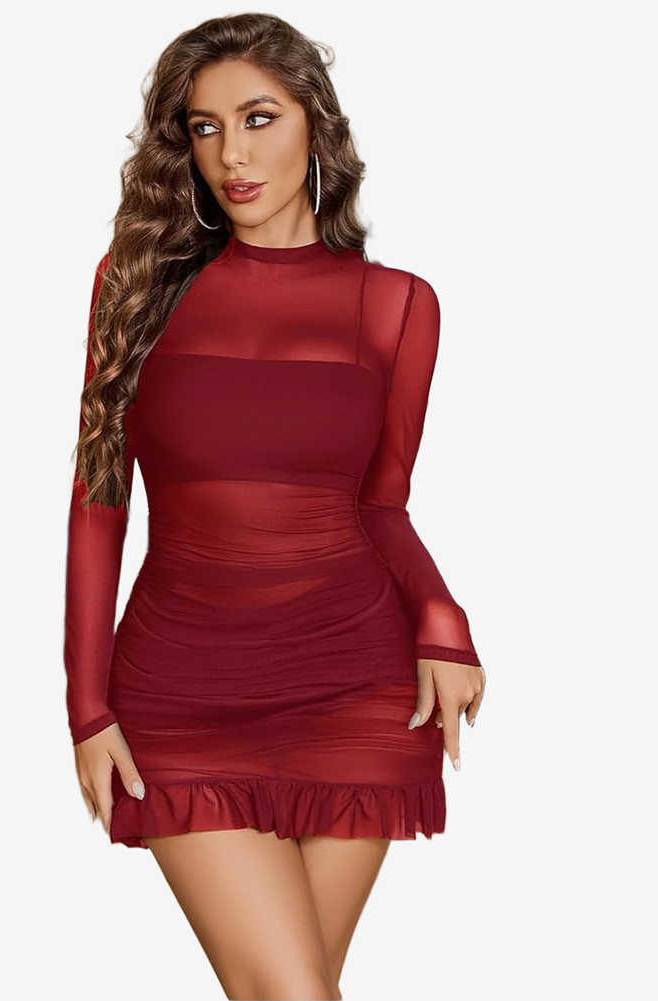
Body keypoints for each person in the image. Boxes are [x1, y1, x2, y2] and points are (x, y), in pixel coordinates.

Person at [63, 12, 486, 1001]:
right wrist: (86, 703)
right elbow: (97, 500)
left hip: (357, 685)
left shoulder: (398, 305)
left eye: (258, 118)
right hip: (179, 688)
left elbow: (382, 503)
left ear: (315, 125)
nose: (232, 155)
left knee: (292, 991)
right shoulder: (136, 287)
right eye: (204, 128)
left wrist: (441, 616)